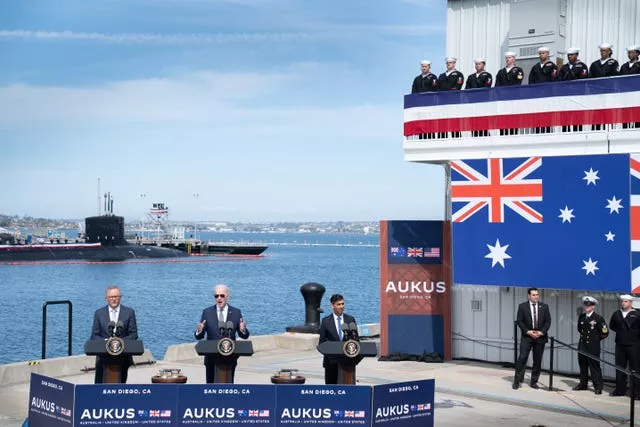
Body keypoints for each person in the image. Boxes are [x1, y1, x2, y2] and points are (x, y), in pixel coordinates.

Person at [195, 284, 249, 384]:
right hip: (211, 358)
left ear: (227, 296)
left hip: (230, 357)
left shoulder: (236, 312)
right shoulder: (207, 312)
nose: (219, 298)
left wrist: (243, 329)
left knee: (228, 386)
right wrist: (199, 330)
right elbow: (199, 336)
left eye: (222, 295)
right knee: (210, 387)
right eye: (216, 296)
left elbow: (244, 336)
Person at [91, 285, 138, 384]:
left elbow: (133, 335)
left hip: (123, 357)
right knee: (100, 387)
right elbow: (94, 336)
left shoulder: (129, 312)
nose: (114, 299)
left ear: (120, 297)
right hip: (103, 357)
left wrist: (119, 342)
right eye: (111, 297)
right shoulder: (99, 313)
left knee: (119, 386)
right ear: (106, 298)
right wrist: (107, 342)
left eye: (116, 296)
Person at [513, 287, 551, 390]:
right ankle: (517, 381)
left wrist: (541, 332)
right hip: (527, 337)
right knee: (522, 358)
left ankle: (534, 382)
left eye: (537, 295)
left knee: (537, 360)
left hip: (540, 337)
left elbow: (548, 321)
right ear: (529, 296)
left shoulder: (544, 306)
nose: (536, 297)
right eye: (533, 295)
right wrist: (527, 331)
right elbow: (520, 321)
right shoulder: (522, 306)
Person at [318, 294, 358, 384]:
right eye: (338, 304)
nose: (341, 307)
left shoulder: (350, 320)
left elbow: (356, 340)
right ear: (332, 305)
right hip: (331, 363)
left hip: (348, 363)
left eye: (343, 304)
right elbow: (322, 342)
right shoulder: (325, 321)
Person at [573, 296, 608, 394]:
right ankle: (583, 384)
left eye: (589, 305)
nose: (587, 306)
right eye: (585, 304)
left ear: (593, 306)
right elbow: (580, 329)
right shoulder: (582, 317)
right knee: (583, 365)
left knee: (594, 367)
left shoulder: (598, 318)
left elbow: (605, 332)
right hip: (582, 345)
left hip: (593, 346)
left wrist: (596, 340)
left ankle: (598, 386)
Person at [609, 294, 640, 398]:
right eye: (622, 301)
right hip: (620, 345)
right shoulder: (617, 314)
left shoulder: (637, 314)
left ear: (630, 303)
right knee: (620, 368)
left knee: (635, 369)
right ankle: (620, 390)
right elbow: (612, 326)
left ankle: (636, 392)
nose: (623, 303)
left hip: (633, 345)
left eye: (626, 301)